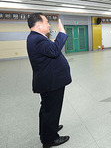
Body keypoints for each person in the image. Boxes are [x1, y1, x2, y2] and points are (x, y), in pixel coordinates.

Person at [26, 13, 71, 147]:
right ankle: (50, 138)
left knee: (48, 109)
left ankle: (49, 129)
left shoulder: (36, 38)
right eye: (47, 22)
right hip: (51, 82)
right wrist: (61, 33)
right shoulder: (37, 39)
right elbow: (53, 51)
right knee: (51, 109)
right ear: (39, 25)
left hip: (50, 80)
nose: (49, 25)